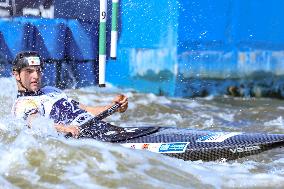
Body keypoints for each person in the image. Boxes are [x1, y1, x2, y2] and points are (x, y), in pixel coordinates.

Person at [11, 51, 128, 138]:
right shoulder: (23, 103)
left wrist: (113, 107)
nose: (36, 76)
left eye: (38, 70)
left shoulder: (51, 90)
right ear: (16, 74)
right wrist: (65, 128)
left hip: (103, 130)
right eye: (29, 71)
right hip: (86, 139)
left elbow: (87, 110)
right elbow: (36, 123)